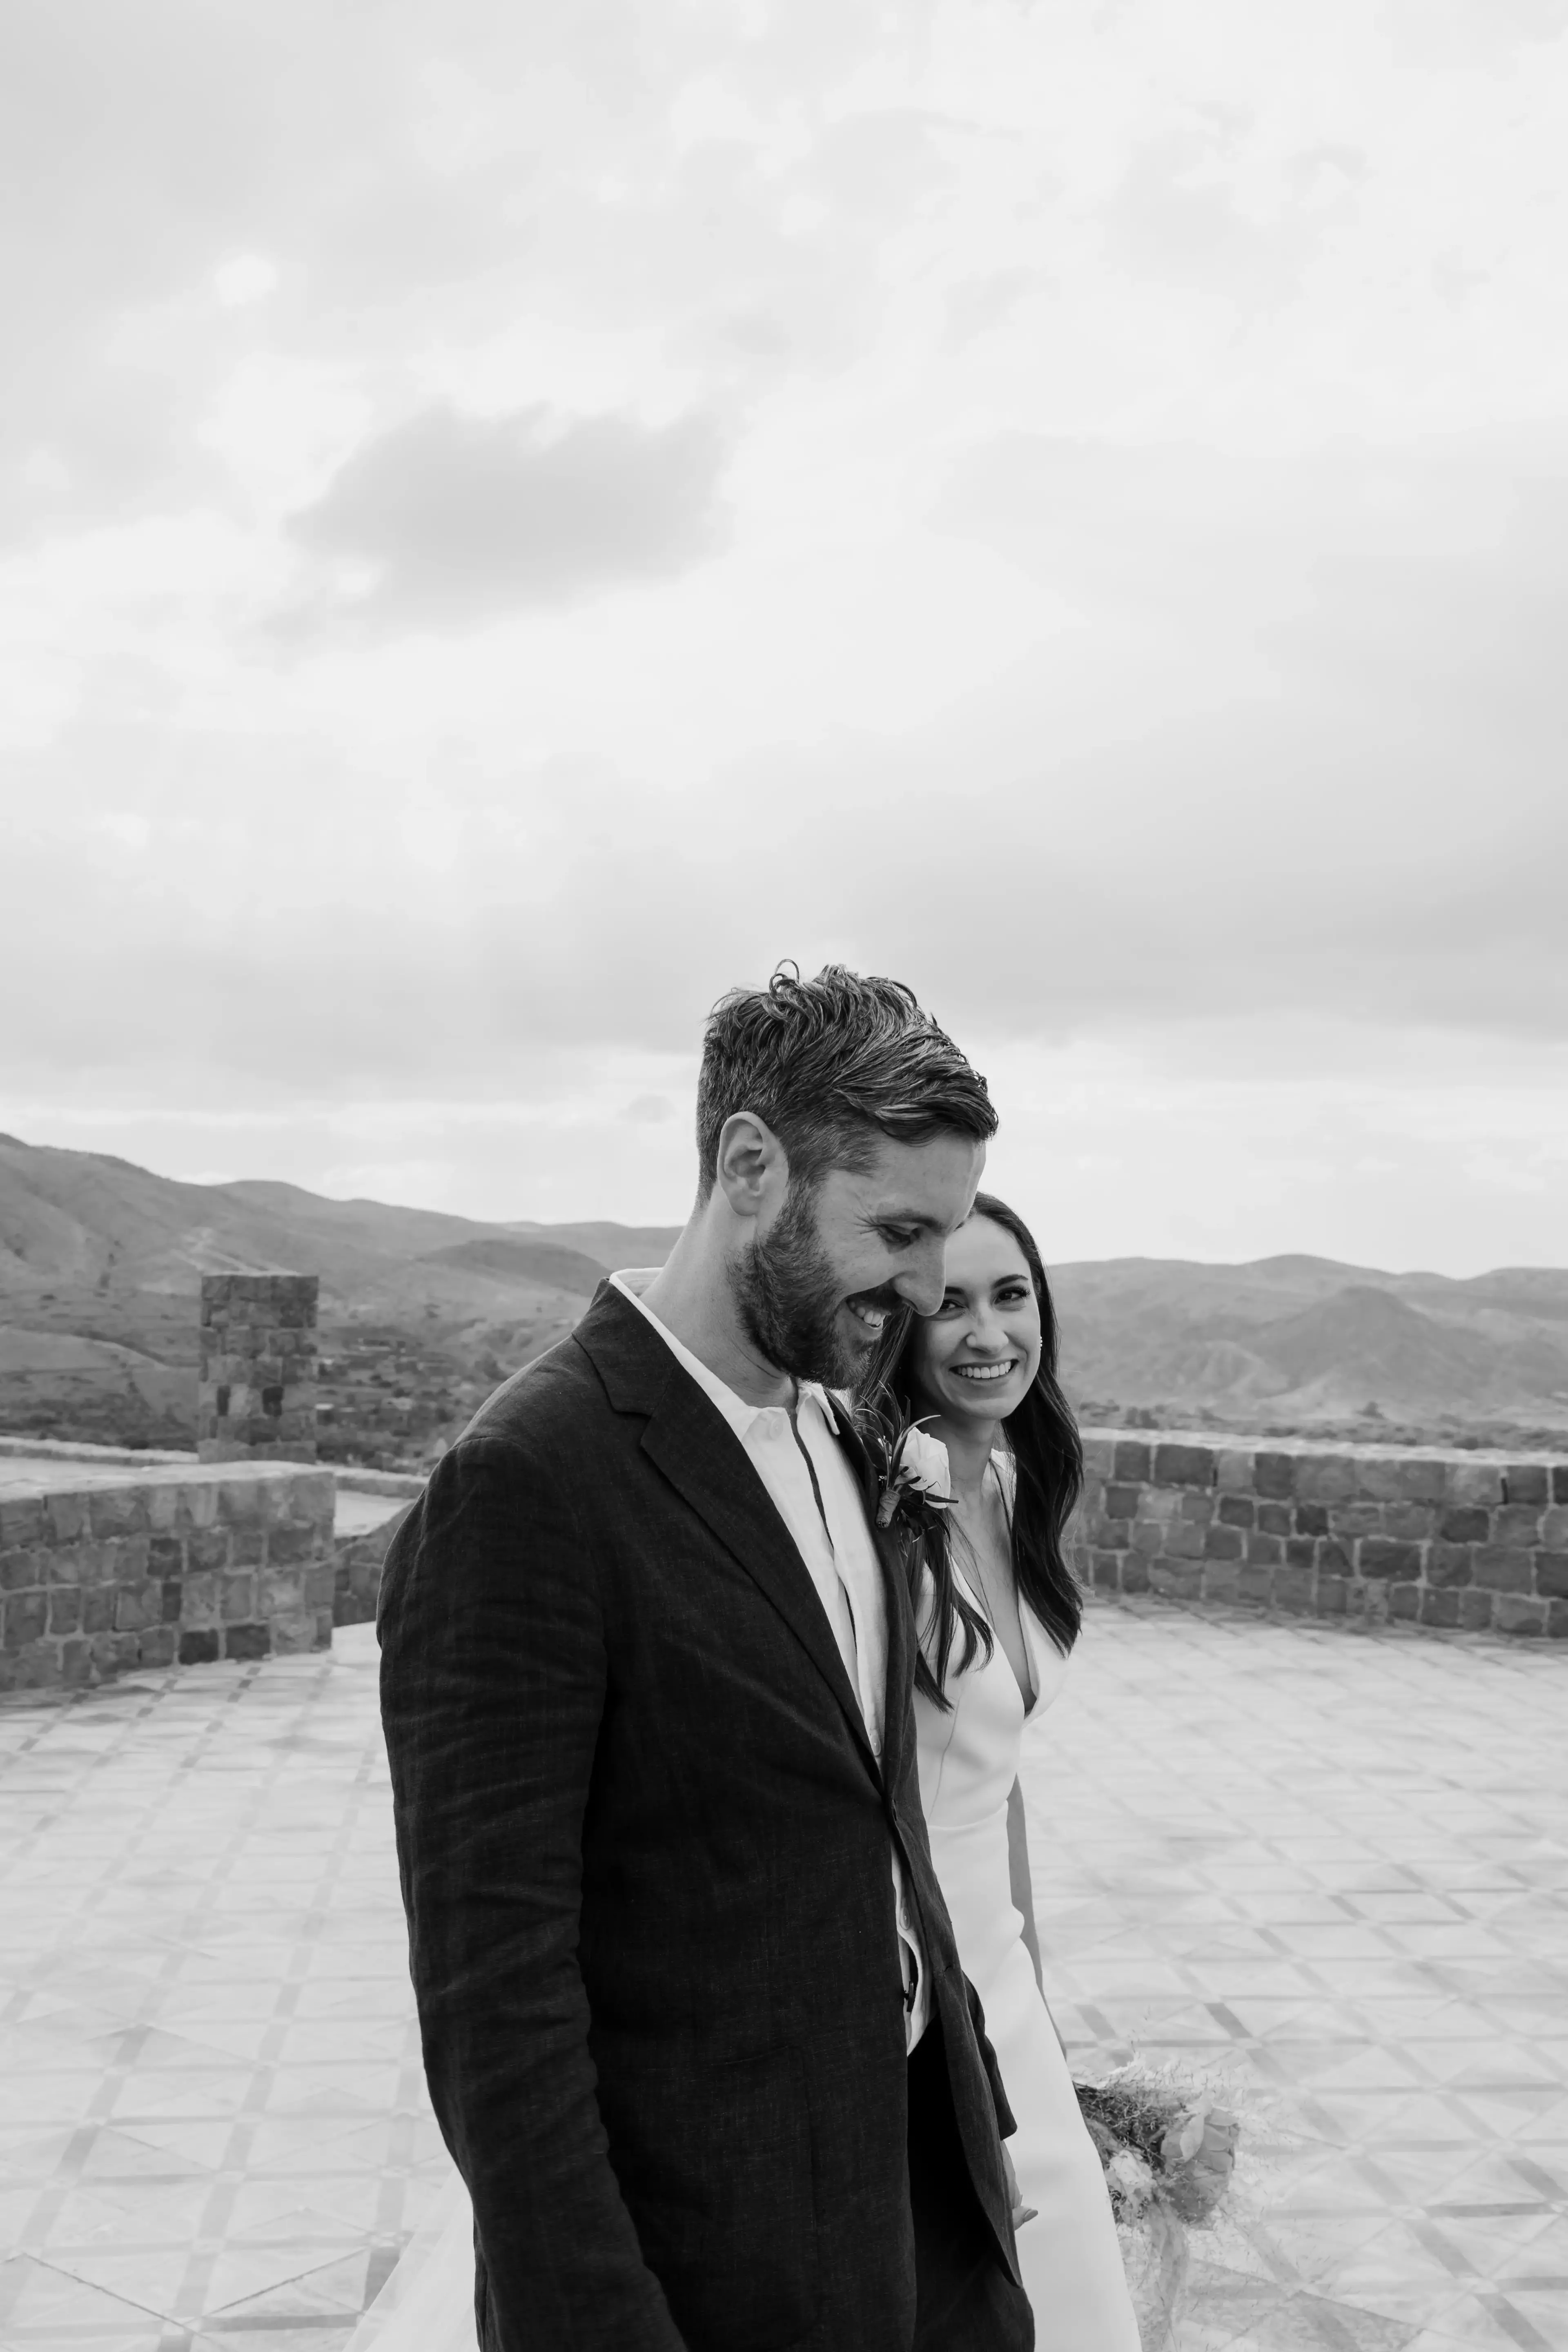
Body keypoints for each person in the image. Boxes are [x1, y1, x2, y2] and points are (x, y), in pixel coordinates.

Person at [372, 967, 1036, 2352]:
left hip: (926, 2217)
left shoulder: (843, 1429)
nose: (926, 1290)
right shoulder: (528, 1484)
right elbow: (495, 2005)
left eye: (948, 1235)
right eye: (899, 1232)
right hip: (715, 2263)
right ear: (751, 1165)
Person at [857, 1194, 1141, 2348]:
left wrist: (1034, 1974)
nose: (988, 1334)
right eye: (951, 1304)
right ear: (904, 1329)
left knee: (1067, 2279)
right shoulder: (879, 1515)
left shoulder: (1013, 1486)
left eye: (1011, 1297)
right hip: (908, 1976)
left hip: (1002, 1964)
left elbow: (1000, 1767)